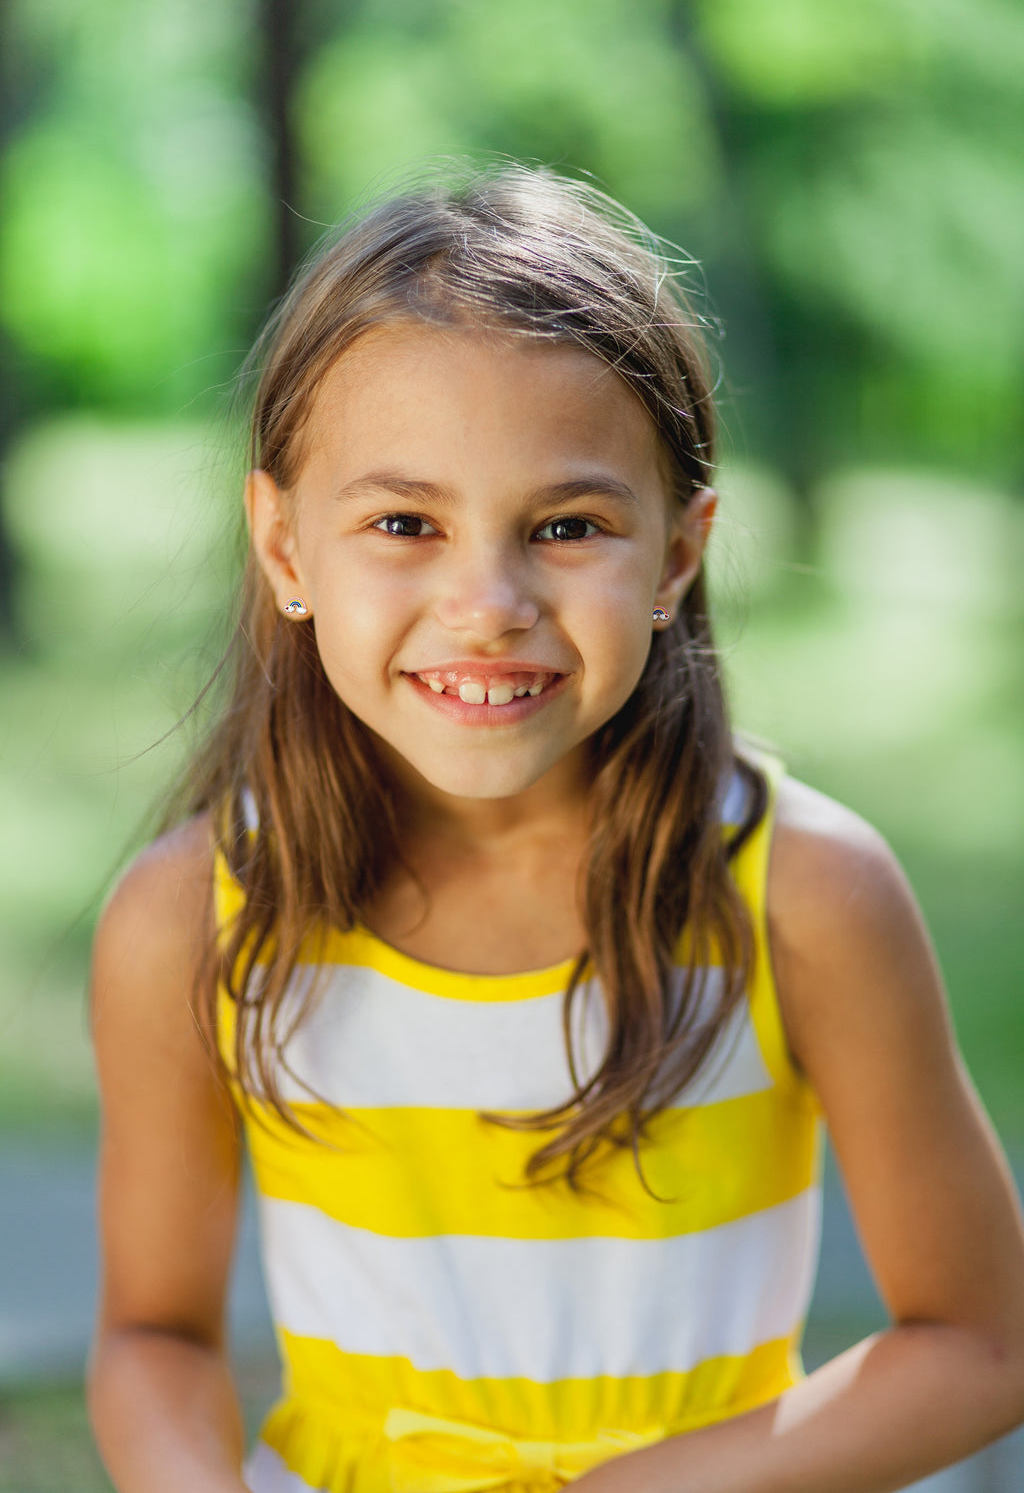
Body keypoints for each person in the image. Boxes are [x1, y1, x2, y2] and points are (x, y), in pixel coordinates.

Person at [87, 166, 1024, 1493]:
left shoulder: (804, 897)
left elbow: (981, 1343)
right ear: (286, 548)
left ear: (678, 556)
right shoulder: (193, 919)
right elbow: (151, 1336)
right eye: (404, 523)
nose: (488, 602)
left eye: (568, 527)